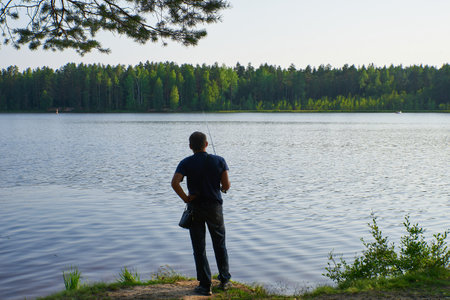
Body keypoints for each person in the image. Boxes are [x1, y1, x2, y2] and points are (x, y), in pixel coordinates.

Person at [171, 131, 231, 296]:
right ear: (206, 144)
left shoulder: (186, 162)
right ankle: (225, 281)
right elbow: (226, 185)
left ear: (190, 146)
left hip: (195, 208)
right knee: (220, 244)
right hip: (214, 208)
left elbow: (174, 182)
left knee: (199, 247)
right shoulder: (219, 160)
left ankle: (205, 285)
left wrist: (186, 199)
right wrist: (222, 188)